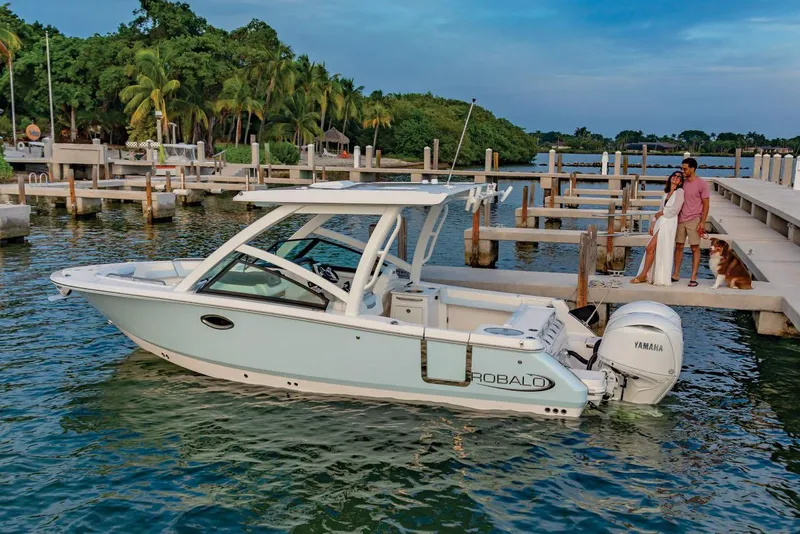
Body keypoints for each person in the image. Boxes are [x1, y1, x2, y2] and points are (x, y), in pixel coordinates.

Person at [632, 171, 685, 285]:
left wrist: (661, 213)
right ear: (671, 178)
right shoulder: (665, 193)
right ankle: (647, 275)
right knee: (653, 248)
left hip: (669, 223)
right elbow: (659, 209)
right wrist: (653, 222)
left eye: (679, 177)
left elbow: (675, 210)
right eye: (674, 176)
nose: (676, 178)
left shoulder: (680, 192)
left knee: (650, 247)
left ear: (681, 182)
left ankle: (644, 275)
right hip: (661, 222)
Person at [671, 157, 710, 287]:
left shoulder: (702, 184)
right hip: (680, 219)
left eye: (685, 168)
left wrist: (702, 222)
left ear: (692, 169)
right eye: (682, 168)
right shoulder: (682, 182)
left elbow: (706, 204)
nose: (683, 171)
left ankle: (693, 276)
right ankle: (676, 273)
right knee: (679, 247)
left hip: (694, 219)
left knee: (695, 248)